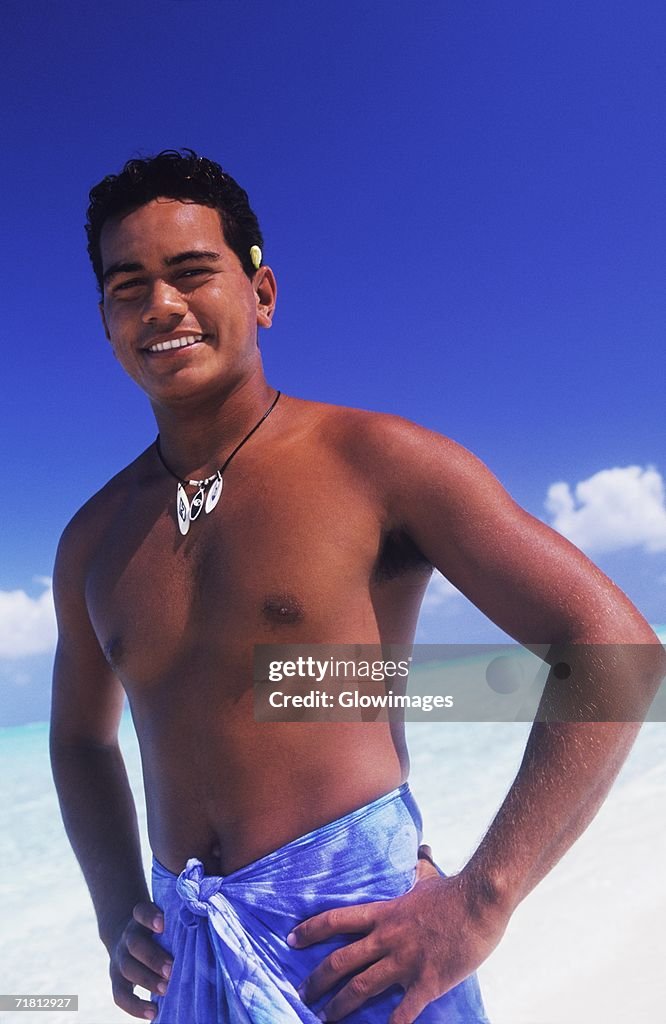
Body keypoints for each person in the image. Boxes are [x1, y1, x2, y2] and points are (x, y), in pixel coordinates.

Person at [50, 149, 663, 1024]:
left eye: (192, 273)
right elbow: (79, 741)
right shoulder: (93, 540)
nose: (161, 306)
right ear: (106, 319)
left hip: (368, 954)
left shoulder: (373, 463)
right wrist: (117, 914)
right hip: (193, 956)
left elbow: (617, 650)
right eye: (128, 286)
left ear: (261, 294)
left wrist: (481, 903)